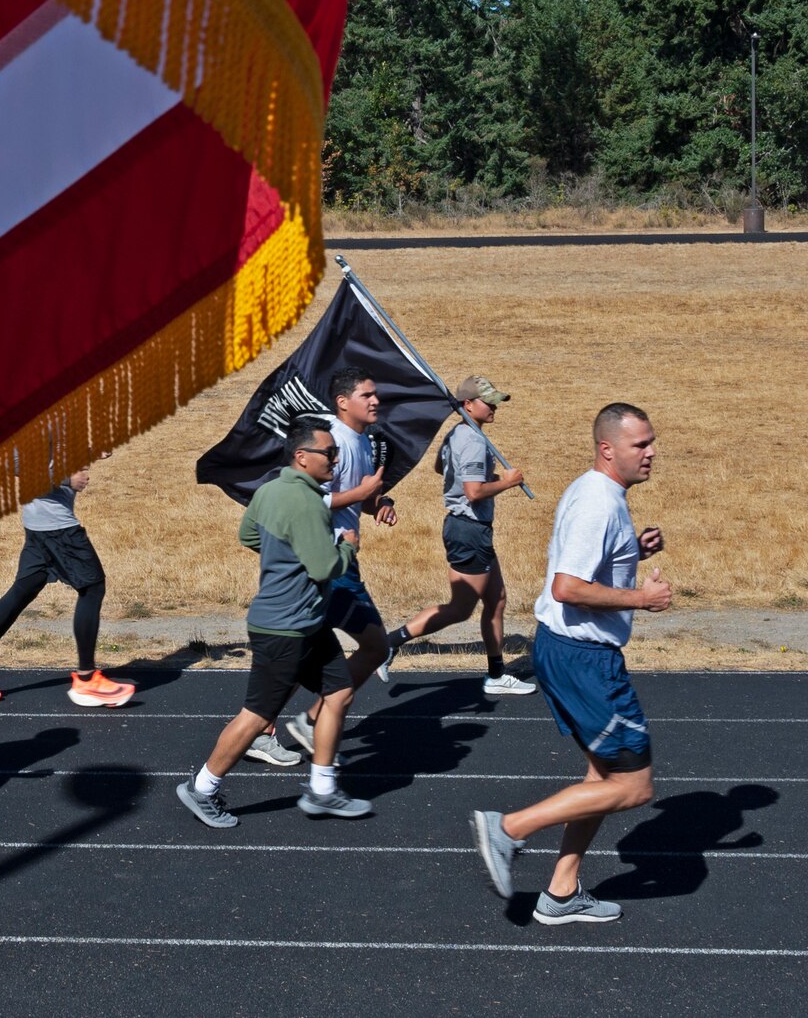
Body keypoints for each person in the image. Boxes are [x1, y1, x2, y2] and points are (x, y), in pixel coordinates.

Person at [471, 403, 669, 924]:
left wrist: (632, 553)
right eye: (640, 445)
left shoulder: (597, 492)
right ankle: (508, 828)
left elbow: (584, 567)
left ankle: (561, 893)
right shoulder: (598, 505)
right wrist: (641, 600)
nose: (651, 453)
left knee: (601, 775)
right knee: (633, 785)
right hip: (584, 658)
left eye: (651, 442)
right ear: (608, 449)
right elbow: (568, 587)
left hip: (568, 651)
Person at [177, 421, 373, 828]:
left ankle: (322, 790)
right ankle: (202, 787)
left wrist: (283, 555)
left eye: (336, 452)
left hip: (306, 623)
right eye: (329, 454)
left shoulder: (270, 491)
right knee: (255, 715)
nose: (336, 460)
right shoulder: (304, 503)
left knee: (338, 692)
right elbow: (324, 566)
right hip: (284, 628)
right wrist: (347, 548)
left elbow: (249, 535)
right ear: (302, 457)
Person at [379, 376, 535, 692]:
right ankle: (390, 643)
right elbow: (475, 492)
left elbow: (441, 467)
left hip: (469, 529)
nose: (493, 407)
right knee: (460, 609)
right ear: (467, 404)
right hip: (469, 531)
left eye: (495, 400)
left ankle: (496, 674)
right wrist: (508, 481)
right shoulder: (475, 441)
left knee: (497, 599)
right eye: (487, 401)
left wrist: (477, 477)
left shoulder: (458, 433)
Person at [0, 464, 136, 708]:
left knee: (24, 589)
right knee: (92, 587)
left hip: (43, 526)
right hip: (56, 527)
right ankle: (87, 681)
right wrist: (68, 479)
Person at [283, 369, 395, 754]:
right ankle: (310, 721)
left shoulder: (361, 440)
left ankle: (286, 725)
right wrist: (361, 494)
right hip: (329, 560)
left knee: (306, 651)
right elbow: (309, 499)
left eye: (375, 393)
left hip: (341, 559)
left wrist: (379, 503)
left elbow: (356, 495)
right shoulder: (331, 442)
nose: (375, 400)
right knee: (375, 647)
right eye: (367, 395)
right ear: (343, 402)